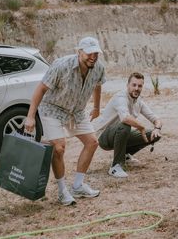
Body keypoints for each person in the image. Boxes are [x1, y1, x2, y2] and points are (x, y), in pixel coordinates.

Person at [25, 37, 105, 206]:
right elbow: (40, 89)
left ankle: (78, 185)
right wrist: (31, 116)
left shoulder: (98, 67)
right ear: (79, 52)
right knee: (59, 148)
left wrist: (97, 107)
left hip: (76, 111)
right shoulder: (61, 66)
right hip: (52, 108)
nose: (93, 56)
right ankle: (62, 191)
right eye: (89, 53)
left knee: (92, 142)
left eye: (96, 52)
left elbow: (98, 85)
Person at [92, 72, 162, 178]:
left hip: (120, 134)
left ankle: (125, 156)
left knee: (154, 134)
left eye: (139, 86)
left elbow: (155, 118)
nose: (136, 88)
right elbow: (125, 118)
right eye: (134, 85)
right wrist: (141, 127)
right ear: (127, 85)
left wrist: (157, 128)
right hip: (103, 136)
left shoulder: (139, 102)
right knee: (125, 125)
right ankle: (115, 167)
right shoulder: (120, 97)